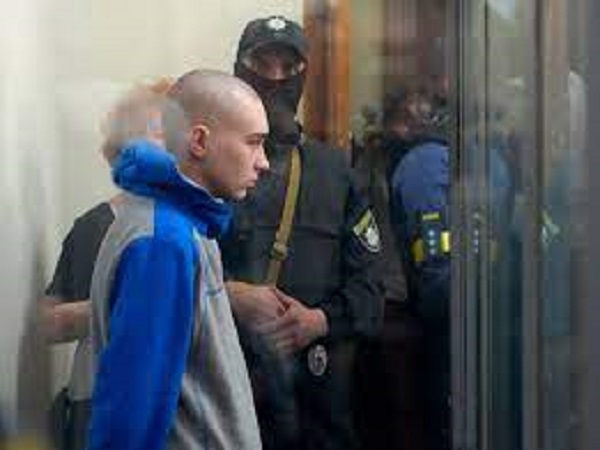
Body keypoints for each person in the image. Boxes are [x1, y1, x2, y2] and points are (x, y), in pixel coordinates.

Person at [220, 15, 384, 450]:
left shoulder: (336, 174)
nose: (275, 78)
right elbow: (174, 276)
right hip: (230, 398)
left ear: (304, 76)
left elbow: (371, 292)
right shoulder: (209, 164)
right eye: (262, 64)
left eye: (288, 67)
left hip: (317, 403)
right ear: (238, 71)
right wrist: (230, 295)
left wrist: (318, 321)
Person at [85, 69, 269, 450]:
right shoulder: (162, 241)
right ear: (199, 141)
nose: (263, 162)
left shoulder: (187, 223)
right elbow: (131, 414)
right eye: (253, 142)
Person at [41, 80, 172, 450]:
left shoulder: (202, 227)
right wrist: (119, 304)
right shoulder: (96, 226)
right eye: (157, 131)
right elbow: (49, 324)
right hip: (101, 404)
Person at [387, 87, 451, 450]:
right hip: (440, 310)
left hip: (432, 312)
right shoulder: (438, 159)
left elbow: (435, 253)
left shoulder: (423, 162)